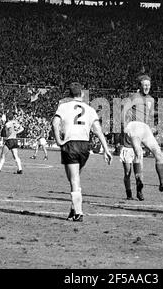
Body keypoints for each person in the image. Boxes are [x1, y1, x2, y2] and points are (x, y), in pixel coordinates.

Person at [52, 83, 112, 222]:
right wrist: (106, 149)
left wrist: (58, 140)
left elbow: (55, 123)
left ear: (69, 94)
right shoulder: (90, 109)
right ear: (82, 94)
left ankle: (78, 212)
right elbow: (97, 130)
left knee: (73, 179)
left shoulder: (63, 106)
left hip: (70, 144)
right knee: (75, 178)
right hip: (85, 145)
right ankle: (73, 209)